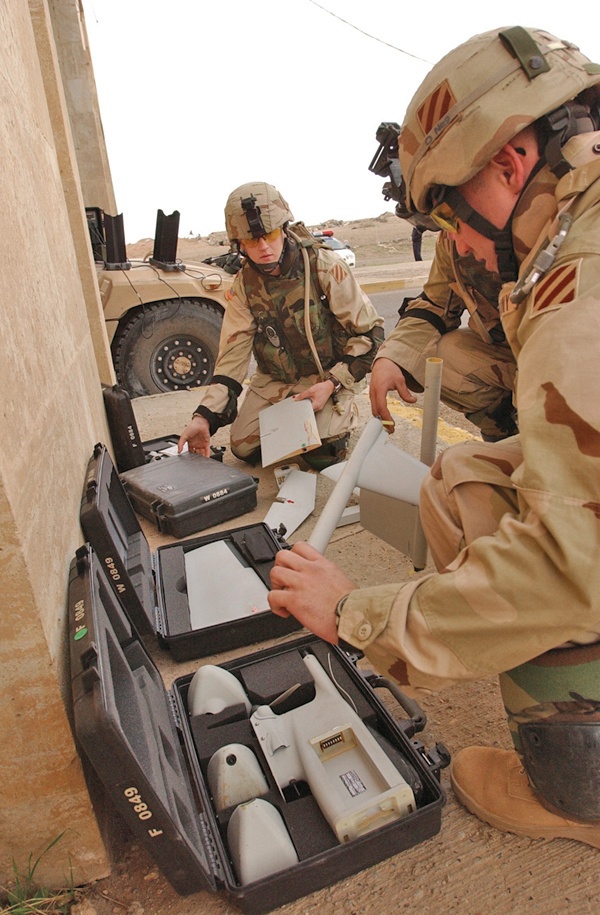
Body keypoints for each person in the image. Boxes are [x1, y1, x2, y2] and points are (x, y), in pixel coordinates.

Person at [268, 26, 600, 847]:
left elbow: (564, 569)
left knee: (479, 496)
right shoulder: (571, 207)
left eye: (451, 221)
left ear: (509, 165)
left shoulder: (578, 299)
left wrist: (353, 612)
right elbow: (440, 302)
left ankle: (579, 794)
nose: (453, 246)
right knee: (475, 475)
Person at [178, 182, 384, 470]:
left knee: (323, 455)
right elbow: (232, 358)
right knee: (244, 449)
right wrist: (204, 417)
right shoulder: (244, 286)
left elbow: (370, 334)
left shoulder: (323, 266)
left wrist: (333, 383)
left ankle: (341, 412)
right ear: (239, 244)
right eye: (252, 241)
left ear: (284, 229)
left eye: (270, 235)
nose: (263, 247)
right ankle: (299, 416)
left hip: (328, 375)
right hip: (277, 379)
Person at [370, 229, 518, 441]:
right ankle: (506, 435)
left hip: (561, 361)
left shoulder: (554, 230)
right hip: (514, 353)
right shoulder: (453, 236)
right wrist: (390, 356)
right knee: (441, 355)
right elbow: (436, 303)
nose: (460, 247)